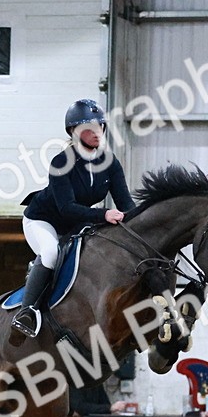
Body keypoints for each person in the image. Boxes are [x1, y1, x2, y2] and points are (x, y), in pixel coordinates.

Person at [12, 98, 137, 339]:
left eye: (100, 126)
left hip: (78, 224)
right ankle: (27, 311)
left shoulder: (110, 164)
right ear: (74, 132)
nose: (96, 132)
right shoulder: (61, 162)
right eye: (88, 129)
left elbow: (126, 206)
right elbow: (67, 208)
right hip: (43, 221)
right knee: (50, 252)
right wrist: (104, 214)